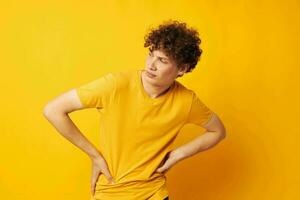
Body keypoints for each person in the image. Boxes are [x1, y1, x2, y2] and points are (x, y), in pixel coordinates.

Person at [43, 19, 226, 200]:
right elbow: (53, 110)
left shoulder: (186, 101)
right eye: (151, 54)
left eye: (162, 60)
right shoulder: (116, 85)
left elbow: (217, 131)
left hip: (154, 192)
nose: (151, 65)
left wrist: (178, 154)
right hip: (111, 192)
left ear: (182, 69)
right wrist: (94, 155)